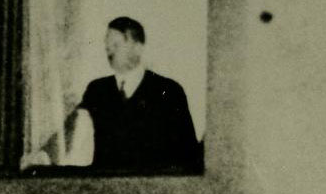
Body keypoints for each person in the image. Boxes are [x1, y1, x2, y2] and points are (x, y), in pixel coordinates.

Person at [29, 18, 201, 178]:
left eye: (115, 45)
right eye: (107, 47)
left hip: (152, 191)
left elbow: (187, 151)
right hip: (107, 191)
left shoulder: (168, 90)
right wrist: (44, 155)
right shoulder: (98, 90)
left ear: (138, 47)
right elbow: (72, 127)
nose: (109, 51)